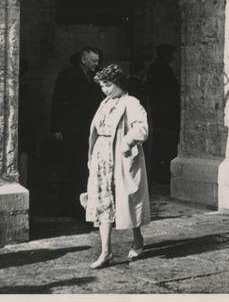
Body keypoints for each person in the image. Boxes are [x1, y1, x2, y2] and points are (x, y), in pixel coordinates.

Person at [85, 64, 151, 269]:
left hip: (120, 158)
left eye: (108, 85)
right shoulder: (105, 103)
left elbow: (141, 128)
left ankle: (137, 238)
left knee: (127, 200)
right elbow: (96, 129)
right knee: (102, 201)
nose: (105, 90)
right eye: (102, 86)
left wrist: (127, 143)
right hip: (101, 156)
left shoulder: (130, 102)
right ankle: (106, 252)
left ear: (119, 84)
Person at [50, 47, 104, 218]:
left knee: (82, 166)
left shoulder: (92, 78)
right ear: (83, 60)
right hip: (70, 130)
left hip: (85, 130)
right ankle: (69, 205)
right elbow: (58, 102)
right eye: (93, 61)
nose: (96, 64)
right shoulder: (68, 75)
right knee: (69, 166)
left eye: (97, 61)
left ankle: (81, 203)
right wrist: (57, 128)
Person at [145, 44, 180, 183]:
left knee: (162, 143)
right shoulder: (161, 69)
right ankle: (162, 174)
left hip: (161, 111)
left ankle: (161, 172)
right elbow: (171, 89)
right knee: (165, 143)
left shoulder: (158, 68)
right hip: (165, 112)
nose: (171, 57)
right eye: (169, 54)